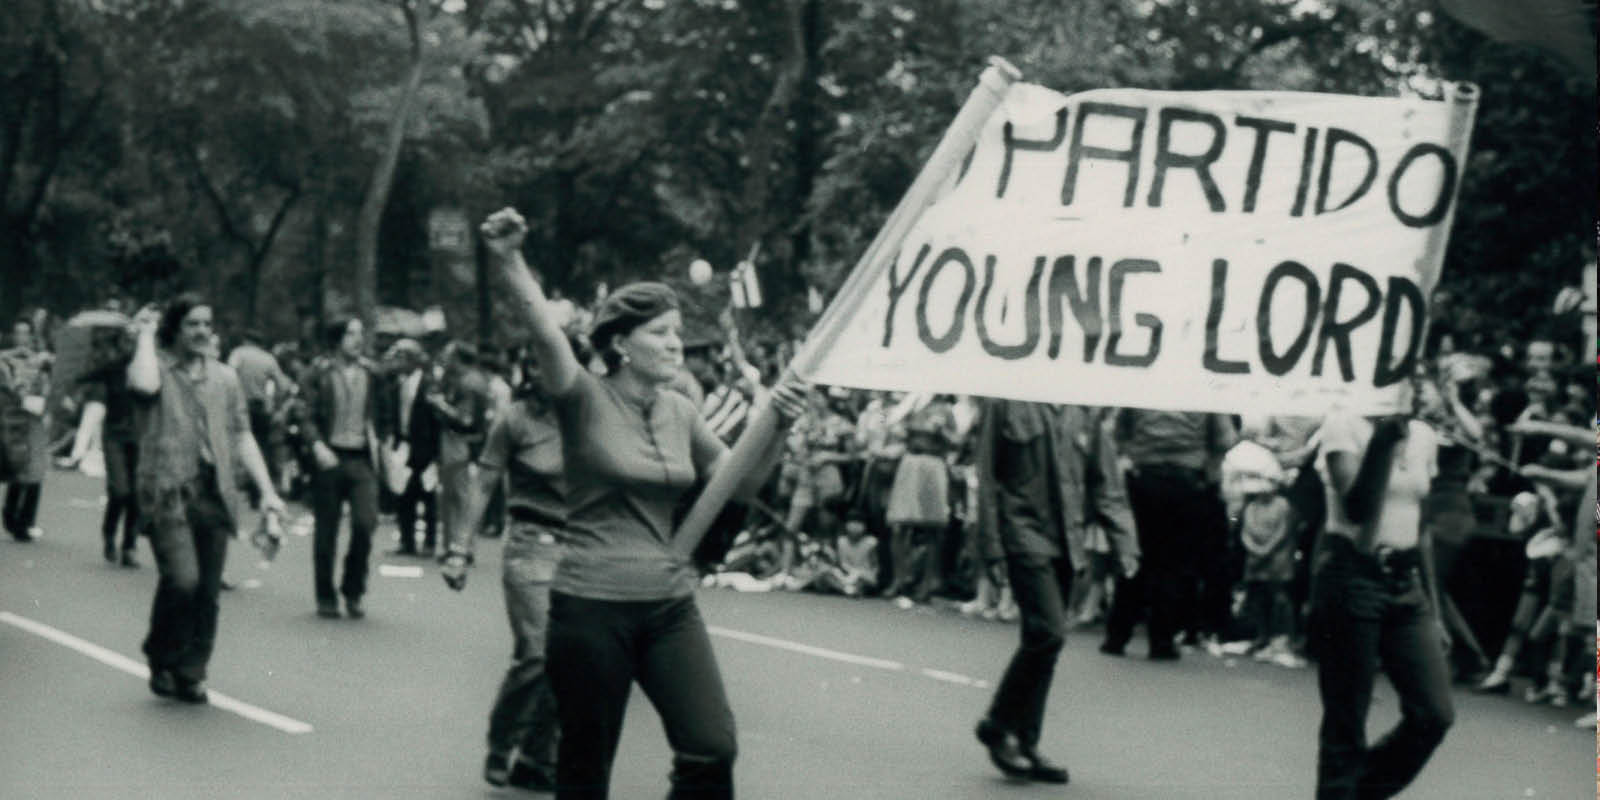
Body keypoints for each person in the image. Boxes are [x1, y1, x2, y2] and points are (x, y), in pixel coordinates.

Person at [480, 206, 807, 800]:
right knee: (584, 772)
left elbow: (742, 484)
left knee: (712, 747)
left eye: (679, 333)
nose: (676, 345)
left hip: (668, 606)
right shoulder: (582, 399)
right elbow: (546, 332)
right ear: (622, 344)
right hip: (589, 607)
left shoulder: (683, 412)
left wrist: (777, 426)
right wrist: (509, 260)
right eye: (661, 334)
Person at [126, 296, 285, 704]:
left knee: (207, 591)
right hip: (167, 491)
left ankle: (192, 670)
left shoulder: (226, 377)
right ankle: (161, 655)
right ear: (175, 330)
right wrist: (145, 334)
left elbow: (242, 434)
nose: (201, 332)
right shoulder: (157, 368)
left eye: (207, 324)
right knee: (183, 580)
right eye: (192, 324)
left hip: (215, 492)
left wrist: (267, 492)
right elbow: (142, 384)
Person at [971, 400, 1138, 785]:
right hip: (1023, 532)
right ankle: (998, 723)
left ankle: (1027, 740)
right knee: (1049, 632)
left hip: (1068, 537)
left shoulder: (1085, 407)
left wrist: (1125, 542)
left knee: (1043, 641)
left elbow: (1106, 483)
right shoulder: (1006, 401)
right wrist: (991, 545)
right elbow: (988, 474)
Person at [1308, 391, 1453, 799]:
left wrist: (1435, 610)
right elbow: (1357, 508)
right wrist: (1383, 443)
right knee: (1347, 717)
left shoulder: (1423, 435)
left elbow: (1421, 526)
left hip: (1407, 584)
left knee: (1434, 713)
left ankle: (1353, 793)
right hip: (1353, 575)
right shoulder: (1343, 423)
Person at [441, 347, 571, 792]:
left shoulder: (588, 415)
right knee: (537, 651)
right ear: (529, 371)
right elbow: (483, 485)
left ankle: (537, 757)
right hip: (530, 545)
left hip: (580, 549)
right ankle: (502, 741)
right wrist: (460, 547)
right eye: (538, 363)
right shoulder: (514, 420)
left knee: (569, 655)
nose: (547, 370)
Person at [1103, 409, 1235, 660]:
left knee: (1133, 555)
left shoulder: (1144, 387)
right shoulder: (1205, 392)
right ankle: (1161, 640)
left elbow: (1116, 431)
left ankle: (1117, 635)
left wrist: (1133, 451)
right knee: (1172, 564)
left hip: (1142, 477)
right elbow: (1225, 439)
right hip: (1186, 482)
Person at [298, 317, 390, 619]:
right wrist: (316, 444)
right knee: (327, 530)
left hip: (362, 458)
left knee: (366, 523)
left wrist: (386, 444)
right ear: (337, 338)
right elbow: (305, 413)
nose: (357, 339)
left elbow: (384, 413)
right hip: (330, 457)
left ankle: (353, 590)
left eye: (360, 333)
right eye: (351, 333)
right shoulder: (318, 373)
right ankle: (325, 596)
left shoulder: (373, 373)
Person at [227, 328, 294, 504]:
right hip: (261, 409)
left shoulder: (238, 354)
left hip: (239, 406)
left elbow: (228, 376)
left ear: (247, 339)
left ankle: (242, 488)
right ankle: (261, 491)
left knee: (238, 444)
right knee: (262, 447)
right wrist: (277, 406)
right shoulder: (268, 358)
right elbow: (283, 386)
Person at [1, 318, 50, 542]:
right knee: (16, 464)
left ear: (31, 336)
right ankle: (11, 515)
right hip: (12, 418)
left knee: (36, 468)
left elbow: (49, 385)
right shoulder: (4, 359)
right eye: (17, 333)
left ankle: (27, 521)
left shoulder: (40, 361)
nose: (21, 337)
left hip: (35, 417)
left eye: (25, 333)